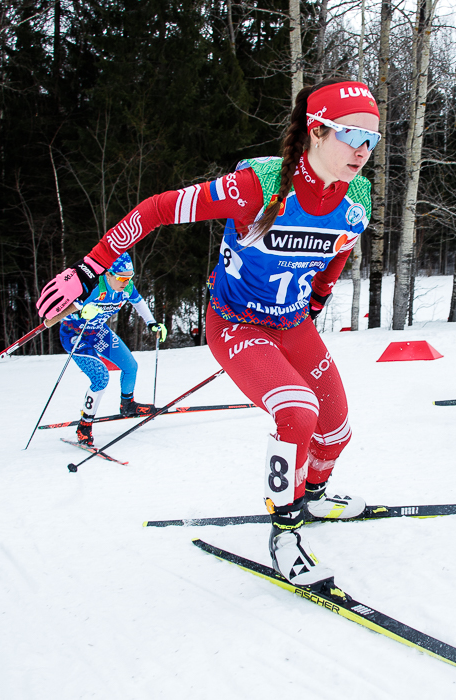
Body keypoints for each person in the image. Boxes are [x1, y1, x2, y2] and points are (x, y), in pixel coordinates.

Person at [36, 79, 380, 590]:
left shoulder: (358, 196)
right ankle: (285, 535)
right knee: (297, 411)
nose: (362, 151)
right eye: (351, 135)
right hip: (237, 323)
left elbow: (341, 249)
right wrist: (90, 268)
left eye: (372, 140)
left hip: (292, 323)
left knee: (336, 428)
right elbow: (155, 209)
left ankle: (313, 493)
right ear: (316, 130)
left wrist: (320, 296)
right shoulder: (260, 187)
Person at [59, 252, 168, 446]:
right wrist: (82, 313)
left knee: (130, 366)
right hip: (75, 335)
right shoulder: (91, 287)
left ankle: (127, 405)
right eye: (121, 277)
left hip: (98, 331)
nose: (126, 282)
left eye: (129, 277)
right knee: (100, 377)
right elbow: (61, 313)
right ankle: (85, 425)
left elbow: (138, 301)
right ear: (108, 274)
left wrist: (152, 323)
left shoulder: (126, 288)